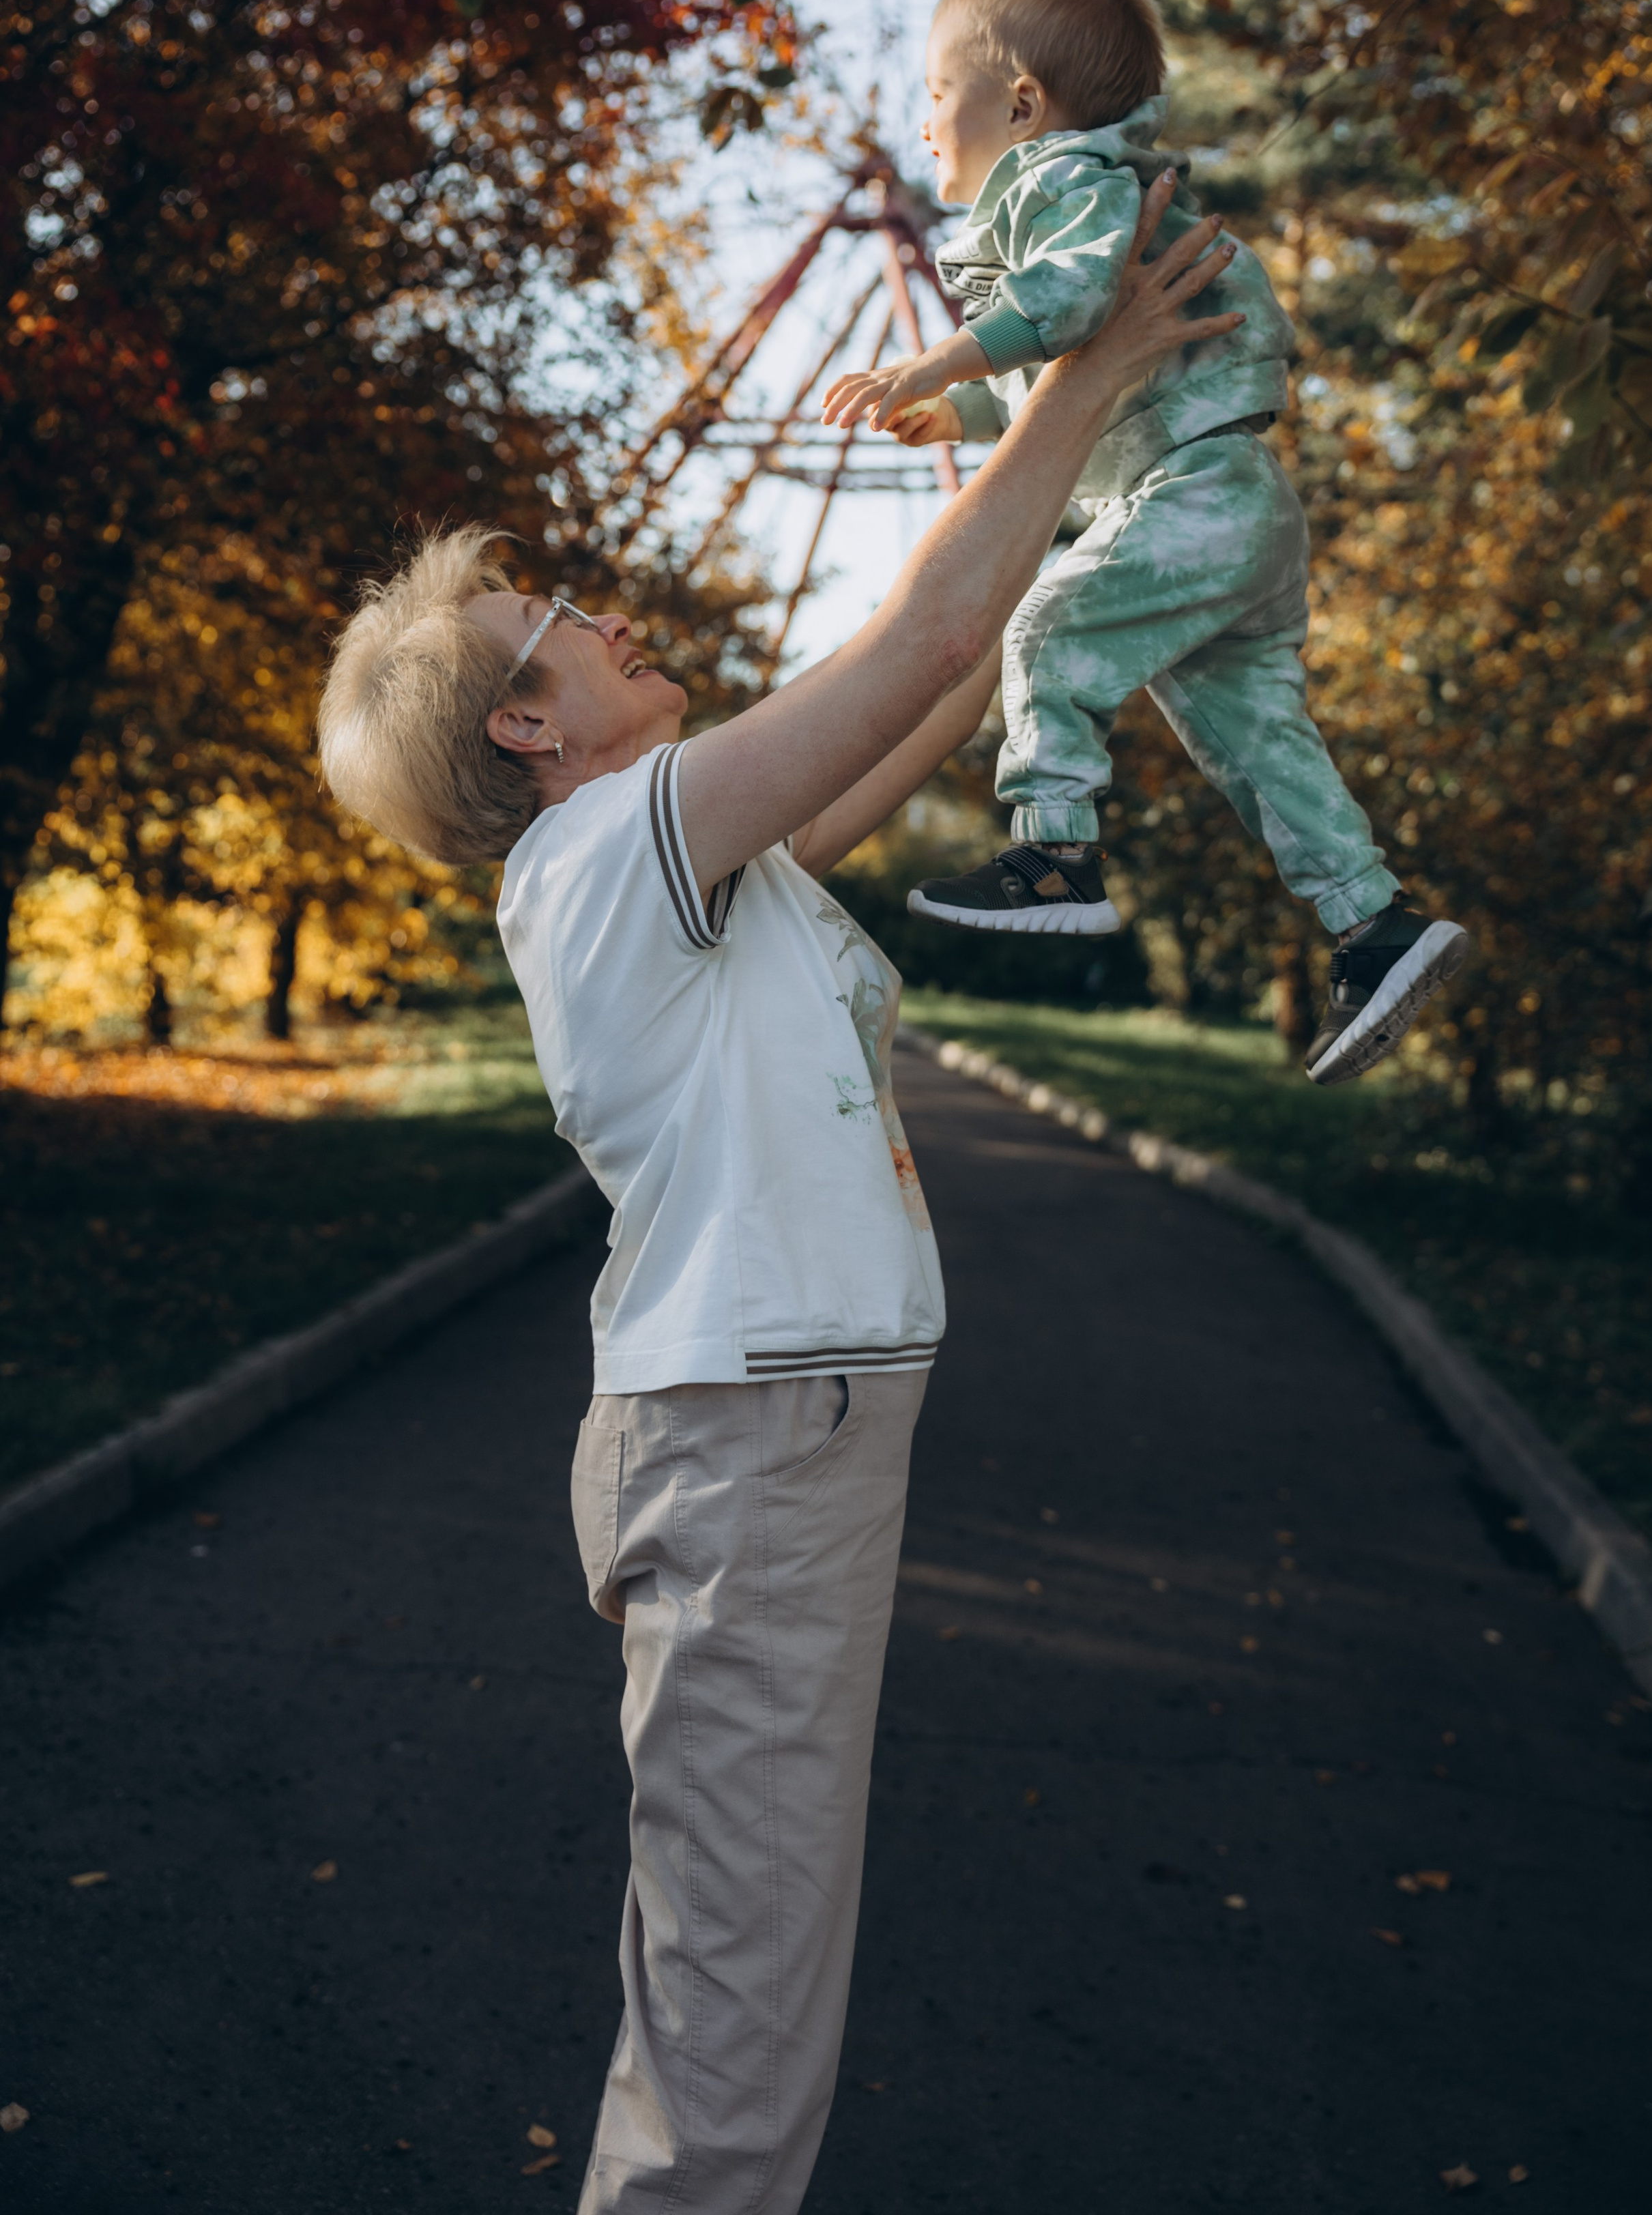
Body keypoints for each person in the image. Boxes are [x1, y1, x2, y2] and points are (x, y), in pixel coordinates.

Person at [315, 180, 1237, 2215]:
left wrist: (1080, 492)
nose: (606, 610)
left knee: (744, 1976)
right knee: (735, 2028)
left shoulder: (704, 865)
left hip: (767, 1441)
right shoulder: (602, 852)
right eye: (557, 622)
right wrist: (1086, 371)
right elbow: (906, 632)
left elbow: (934, 673)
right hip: (744, 1454)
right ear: (529, 723)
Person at [821, 0, 1468, 1085]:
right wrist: (968, 413)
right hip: (1226, 504)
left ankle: (1056, 859)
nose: (924, 121)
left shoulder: (1063, 178)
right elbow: (1063, 374)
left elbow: (1065, 310)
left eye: (935, 93)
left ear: (1019, 103)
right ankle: (1376, 927)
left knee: (1044, 629)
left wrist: (927, 368)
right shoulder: (1069, 198)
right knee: (1255, 742)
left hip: (1193, 490)